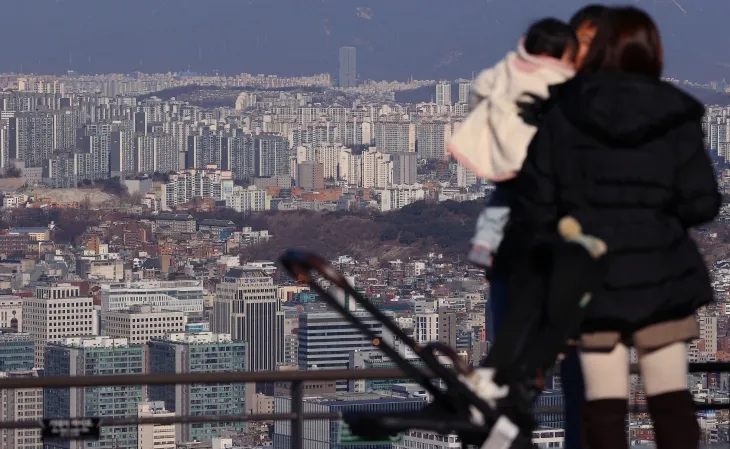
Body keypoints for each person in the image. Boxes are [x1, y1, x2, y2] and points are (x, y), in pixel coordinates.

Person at [504, 6, 720, 449]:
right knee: (671, 399)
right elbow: (701, 202)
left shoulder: (563, 112)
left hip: (592, 277)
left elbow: (536, 203)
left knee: (602, 406)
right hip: (661, 275)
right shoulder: (675, 112)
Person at [448, 18, 578, 332]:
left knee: (501, 200)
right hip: (551, 216)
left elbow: (481, 87)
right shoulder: (567, 85)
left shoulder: (509, 69)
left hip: (509, 162)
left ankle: (485, 242)